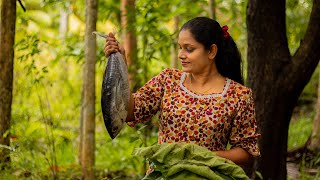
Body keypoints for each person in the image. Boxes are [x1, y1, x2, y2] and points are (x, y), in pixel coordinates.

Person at [104, 17, 260, 165]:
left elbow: (246, 152)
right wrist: (120, 62)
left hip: (208, 176)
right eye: (180, 48)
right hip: (164, 175)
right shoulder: (168, 80)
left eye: (189, 49)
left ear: (212, 51)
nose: (181, 55)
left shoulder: (239, 95)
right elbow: (131, 112)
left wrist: (199, 156)